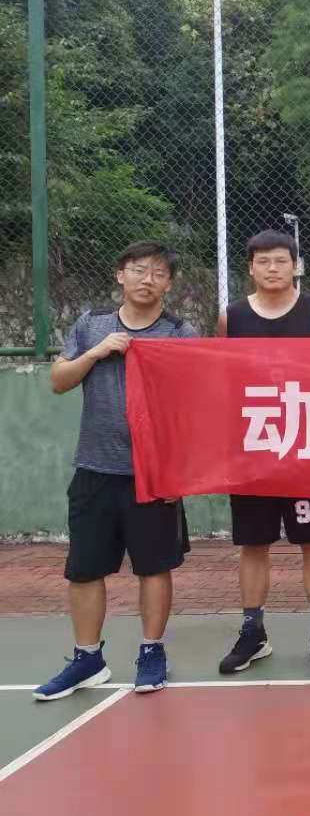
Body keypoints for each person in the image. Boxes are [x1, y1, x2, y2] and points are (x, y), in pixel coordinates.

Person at [34, 241, 198, 700]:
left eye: (159, 273)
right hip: (94, 469)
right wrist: (96, 353)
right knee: (84, 569)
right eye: (139, 270)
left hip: (153, 474)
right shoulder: (92, 325)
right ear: (120, 275)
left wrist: (177, 471)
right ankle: (87, 658)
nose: (148, 279)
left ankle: (152, 652)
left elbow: (193, 405)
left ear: (169, 284)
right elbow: (59, 381)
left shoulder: (180, 334)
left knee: (154, 567)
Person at [217, 230, 310, 674]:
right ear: (251, 268)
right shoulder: (232, 317)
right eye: (264, 261)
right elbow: (223, 379)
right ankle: (253, 632)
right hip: (253, 448)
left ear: (296, 266)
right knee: (253, 545)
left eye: (281, 261)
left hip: (305, 448)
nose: (273, 268)